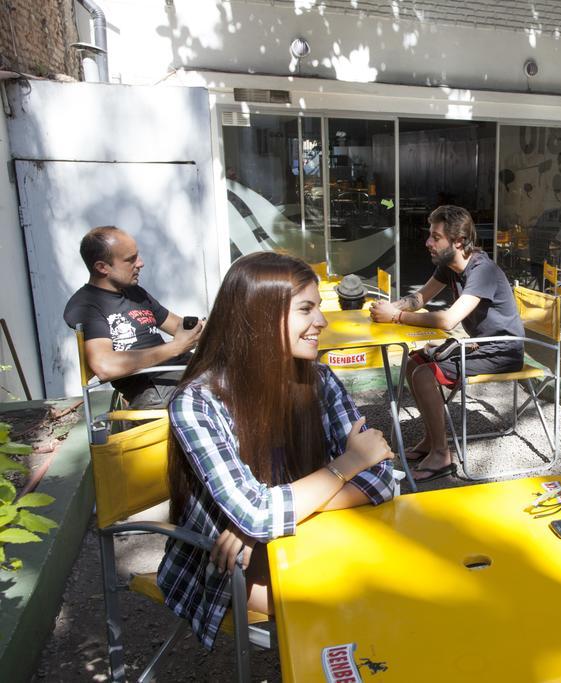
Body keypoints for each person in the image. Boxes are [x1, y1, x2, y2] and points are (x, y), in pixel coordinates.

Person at [159, 252, 395, 650]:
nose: (321, 321)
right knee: (356, 604)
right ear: (258, 317)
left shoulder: (318, 377)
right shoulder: (198, 403)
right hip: (225, 568)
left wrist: (260, 525)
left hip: (297, 537)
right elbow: (361, 464)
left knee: (395, 585)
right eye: (306, 309)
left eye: (318, 307)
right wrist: (347, 465)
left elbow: (384, 478)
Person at [368, 205, 525, 483]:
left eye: (435, 237)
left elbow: (448, 320)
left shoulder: (483, 270)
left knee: (424, 374)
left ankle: (442, 455)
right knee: (413, 362)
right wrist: (389, 308)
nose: (428, 242)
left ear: (459, 241)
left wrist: (397, 317)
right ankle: (431, 439)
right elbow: (420, 298)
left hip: (502, 350)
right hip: (479, 346)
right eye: (430, 235)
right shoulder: (449, 266)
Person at [63, 226, 203, 408]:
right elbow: (105, 366)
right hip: (155, 389)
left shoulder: (134, 292)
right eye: (131, 259)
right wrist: (175, 347)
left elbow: (179, 326)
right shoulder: (86, 305)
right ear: (102, 267)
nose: (140, 263)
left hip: (182, 372)